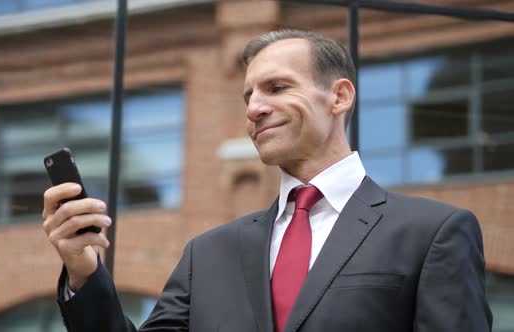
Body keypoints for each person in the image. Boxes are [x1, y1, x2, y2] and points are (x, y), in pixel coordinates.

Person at [42, 29, 492, 331]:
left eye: (276, 88)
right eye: (249, 95)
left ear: (339, 97)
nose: (254, 107)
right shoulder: (208, 254)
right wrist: (84, 274)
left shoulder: (433, 233)